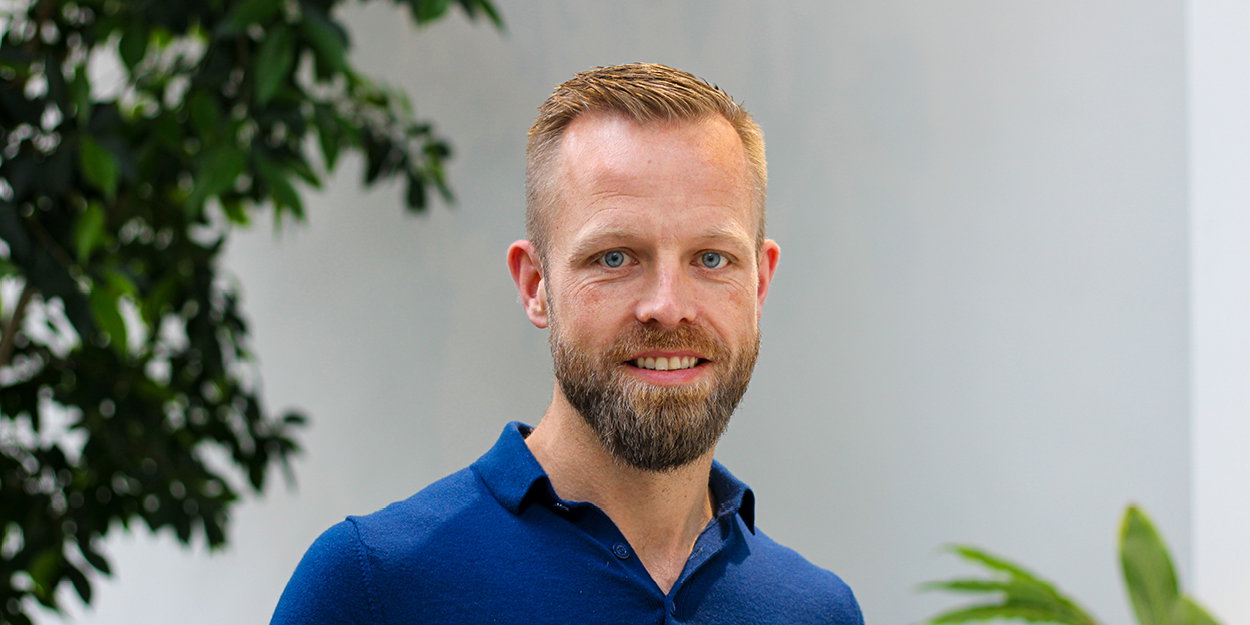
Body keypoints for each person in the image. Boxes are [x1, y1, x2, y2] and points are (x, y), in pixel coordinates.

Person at [270, 63, 864, 624]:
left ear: (759, 283)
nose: (668, 306)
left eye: (712, 259)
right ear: (536, 286)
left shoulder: (816, 610)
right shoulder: (372, 587)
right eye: (614, 257)